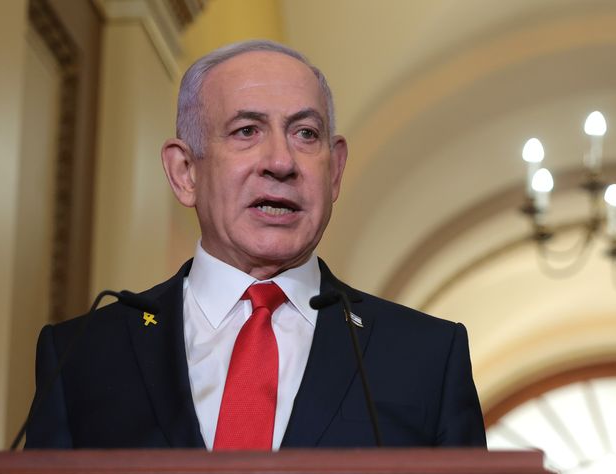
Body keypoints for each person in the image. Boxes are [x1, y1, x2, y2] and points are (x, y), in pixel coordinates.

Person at [24, 40, 485, 450]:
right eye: (247, 131)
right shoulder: (82, 356)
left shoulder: (427, 358)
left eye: (306, 133)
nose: (282, 162)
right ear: (185, 172)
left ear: (335, 170)